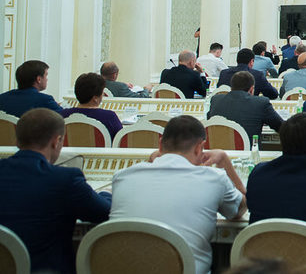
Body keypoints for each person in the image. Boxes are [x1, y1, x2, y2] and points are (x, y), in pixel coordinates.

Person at [109, 115, 245, 274]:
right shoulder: (215, 178)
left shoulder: (122, 177)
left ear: (160, 144)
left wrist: (152, 160)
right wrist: (225, 162)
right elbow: (239, 210)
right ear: (199, 148)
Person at [0, 108, 111, 273]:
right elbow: (105, 213)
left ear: (17, 140)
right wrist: (106, 193)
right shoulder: (66, 180)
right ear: (57, 141)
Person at [208, 71, 283, 142]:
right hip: (249, 150)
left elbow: (210, 119)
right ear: (251, 89)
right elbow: (281, 127)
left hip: (218, 149)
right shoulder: (261, 103)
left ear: (231, 88)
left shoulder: (216, 100)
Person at [61, 72, 124, 140]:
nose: (103, 95)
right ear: (95, 98)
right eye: (102, 93)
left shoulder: (62, 115)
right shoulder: (109, 117)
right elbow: (120, 140)